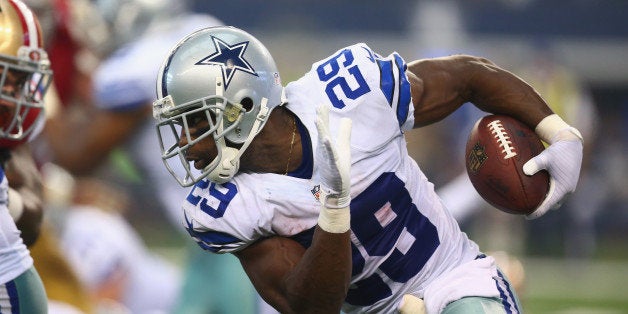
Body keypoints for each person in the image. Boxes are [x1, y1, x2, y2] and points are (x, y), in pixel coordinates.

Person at [152, 26, 585, 313]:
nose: (185, 143)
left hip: (451, 278)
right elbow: (309, 307)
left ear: (240, 109)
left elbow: (468, 76)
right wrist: (335, 210)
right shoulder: (224, 205)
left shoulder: (349, 93)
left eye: (194, 120)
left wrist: (559, 132)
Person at [41, 1, 262, 313]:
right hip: (242, 220)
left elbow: (73, 155)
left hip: (231, 237)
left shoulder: (136, 66)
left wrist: (41, 90)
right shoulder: (201, 30)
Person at [0, 0, 54, 312]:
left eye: (19, 81)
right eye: (3, 76)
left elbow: (33, 217)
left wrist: (8, 200)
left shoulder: (16, 118)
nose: (11, 97)